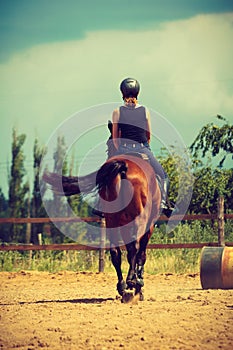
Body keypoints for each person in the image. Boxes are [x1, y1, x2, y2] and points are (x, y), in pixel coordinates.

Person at [110, 77, 173, 217]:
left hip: (124, 149)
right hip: (142, 149)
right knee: (163, 177)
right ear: (138, 92)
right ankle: (163, 203)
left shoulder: (117, 112)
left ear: (122, 93)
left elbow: (115, 139)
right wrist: (143, 148)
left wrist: (121, 150)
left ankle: (101, 206)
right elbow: (148, 135)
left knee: (106, 175)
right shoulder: (145, 111)